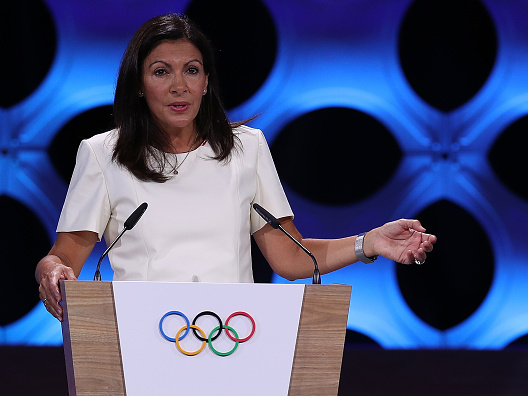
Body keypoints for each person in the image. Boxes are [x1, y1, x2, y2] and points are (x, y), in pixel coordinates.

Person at [35, 13, 436, 321]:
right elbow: (63, 257)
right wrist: (51, 273)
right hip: (141, 336)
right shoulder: (103, 153)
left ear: (206, 81)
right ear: (139, 85)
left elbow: (291, 259)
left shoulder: (248, 148)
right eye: (161, 72)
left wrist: (370, 242)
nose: (180, 86)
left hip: (231, 338)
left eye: (191, 70)